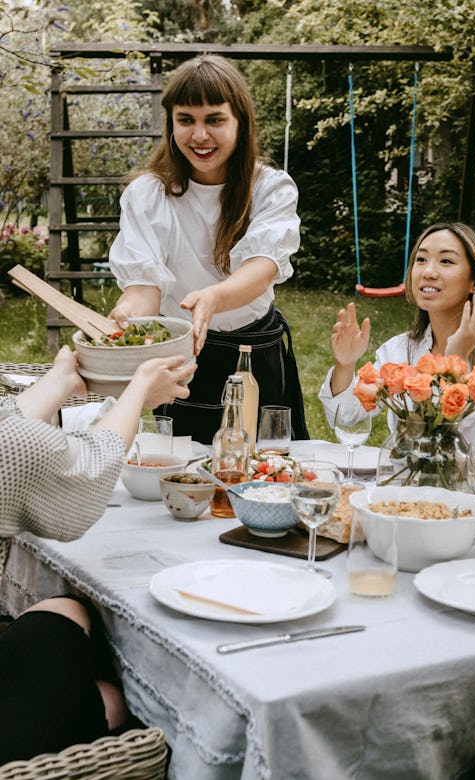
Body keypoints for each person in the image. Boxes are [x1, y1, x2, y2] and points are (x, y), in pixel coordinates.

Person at [0, 346, 195, 763]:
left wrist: (62, 380)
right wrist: (139, 389)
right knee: (126, 701)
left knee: (66, 608)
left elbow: (6, 427)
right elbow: (88, 468)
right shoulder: (11, 452)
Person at [106, 54, 308, 444]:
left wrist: (214, 297)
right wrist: (128, 317)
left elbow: (262, 266)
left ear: (240, 122)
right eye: (186, 120)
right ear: (171, 124)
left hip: (253, 355)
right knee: (174, 472)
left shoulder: (270, 187)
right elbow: (145, 286)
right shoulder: (146, 194)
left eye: (214, 120)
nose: (199, 136)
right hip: (181, 356)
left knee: (261, 473)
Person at [318, 222, 475, 454]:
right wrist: (345, 365)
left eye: (446, 261)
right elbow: (346, 419)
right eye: (421, 260)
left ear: (474, 281)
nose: (428, 272)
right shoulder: (399, 350)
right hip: (403, 486)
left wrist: (457, 361)